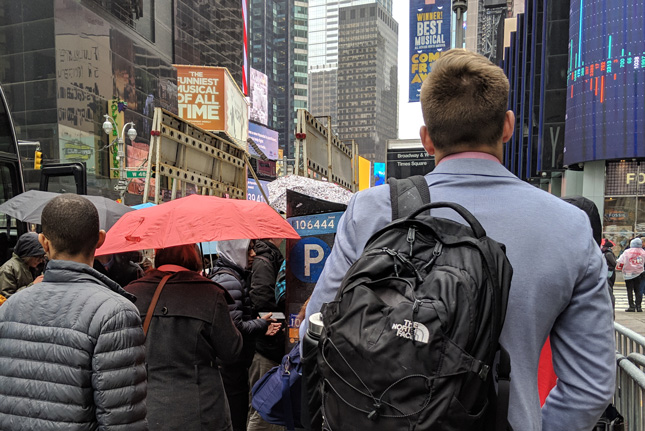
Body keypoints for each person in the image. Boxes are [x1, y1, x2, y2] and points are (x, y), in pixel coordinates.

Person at [300, 49, 615, 431]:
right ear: (507, 127)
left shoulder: (371, 211)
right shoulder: (570, 226)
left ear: (427, 139)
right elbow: (591, 386)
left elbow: (313, 336)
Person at [0, 194, 147, 430]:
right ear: (100, 240)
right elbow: (122, 420)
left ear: (44, 243)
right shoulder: (116, 314)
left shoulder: (9, 308)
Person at [125, 244, 243, 431]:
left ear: (159, 256)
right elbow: (231, 351)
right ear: (194, 258)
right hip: (202, 409)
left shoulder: (131, 293)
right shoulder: (209, 293)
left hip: (144, 406)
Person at [211, 239, 281, 431]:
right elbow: (233, 326)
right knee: (237, 416)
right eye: (248, 249)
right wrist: (261, 324)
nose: (252, 254)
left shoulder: (233, 276)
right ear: (236, 250)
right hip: (232, 363)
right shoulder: (229, 280)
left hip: (234, 362)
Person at [248, 238, 286, 431]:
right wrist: (282, 324)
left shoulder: (269, 257)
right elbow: (262, 301)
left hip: (269, 343)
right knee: (263, 409)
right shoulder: (264, 260)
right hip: (268, 344)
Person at [0, 231, 46, 298]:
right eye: (38, 257)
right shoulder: (8, 270)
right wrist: (33, 286)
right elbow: (7, 299)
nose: (41, 260)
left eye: (42, 257)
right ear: (28, 255)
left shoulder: (32, 267)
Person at [616, 237, 645, 312]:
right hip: (639, 273)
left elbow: (620, 261)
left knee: (629, 290)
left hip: (628, 273)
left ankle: (631, 306)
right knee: (638, 290)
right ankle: (638, 306)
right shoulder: (643, 252)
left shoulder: (627, 252)